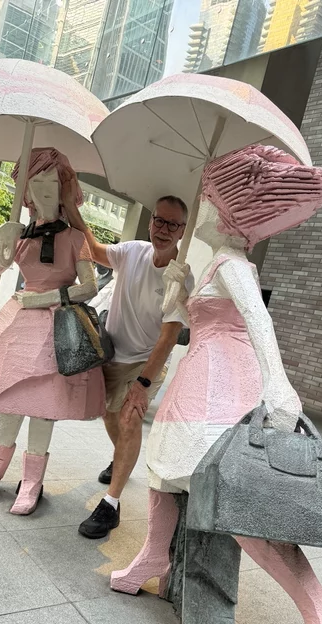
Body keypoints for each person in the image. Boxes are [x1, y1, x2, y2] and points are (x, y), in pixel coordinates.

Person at [110, 145, 322, 624]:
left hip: (223, 389)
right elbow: (199, 320)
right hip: (198, 382)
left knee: (239, 507)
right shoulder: (216, 264)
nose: (198, 209)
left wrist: (279, 384)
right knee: (163, 470)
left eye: (206, 200)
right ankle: (154, 555)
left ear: (227, 211)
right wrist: (180, 291)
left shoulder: (233, 264)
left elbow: (258, 322)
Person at [0, 148, 105, 516]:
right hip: (19, 324)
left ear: (66, 190)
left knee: (43, 407)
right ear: (25, 190)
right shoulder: (20, 235)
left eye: (53, 183)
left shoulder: (76, 238)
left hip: (55, 328)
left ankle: (31, 482)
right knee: (9, 399)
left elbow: (90, 287)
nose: (44, 191)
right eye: (36, 182)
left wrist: (48, 298)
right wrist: (1, 242)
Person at [61, 169, 193, 539]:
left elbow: (169, 336)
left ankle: (111, 504)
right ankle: (122, 457)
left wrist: (143, 384)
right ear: (151, 221)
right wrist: (71, 204)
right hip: (112, 354)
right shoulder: (133, 251)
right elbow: (93, 249)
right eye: (159, 220)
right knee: (109, 416)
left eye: (173, 224)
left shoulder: (180, 277)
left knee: (130, 418)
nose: (163, 229)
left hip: (146, 361)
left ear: (182, 230)